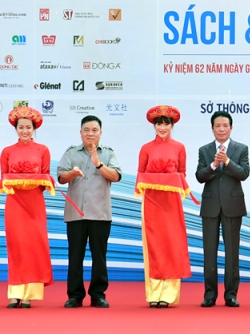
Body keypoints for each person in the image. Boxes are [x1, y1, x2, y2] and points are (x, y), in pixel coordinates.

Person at [57, 115, 122, 308]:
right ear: (81, 133)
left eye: (94, 130)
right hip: (75, 213)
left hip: (100, 213)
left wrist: (98, 164)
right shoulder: (71, 153)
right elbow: (61, 177)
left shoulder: (108, 153)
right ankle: (75, 295)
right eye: (86, 130)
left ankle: (98, 295)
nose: (90, 134)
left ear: (100, 133)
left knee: (99, 257)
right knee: (75, 256)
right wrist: (73, 173)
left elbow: (116, 176)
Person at [136, 105, 191, 308]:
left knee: (171, 244)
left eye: (166, 124)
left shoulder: (179, 147)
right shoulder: (146, 148)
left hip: (172, 203)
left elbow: (182, 173)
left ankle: (168, 294)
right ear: (154, 126)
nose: (162, 127)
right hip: (151, 202)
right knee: (154, 245)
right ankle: (154, 293)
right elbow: (141, 173)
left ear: (172, 125)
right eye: (158, 124)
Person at [0, 107, 54, 308]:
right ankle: (14, 293)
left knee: (33, 246)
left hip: (35, 203)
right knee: (15, 246)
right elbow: (4, 178)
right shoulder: (7, 151)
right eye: (21, 127)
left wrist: (45, 182)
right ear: (16, 129)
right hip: (14, 203)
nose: (25, 131)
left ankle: (30, 294)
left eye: (28, 127)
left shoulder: (43, 150)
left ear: (34, 129)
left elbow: (46, 175)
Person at [196, 111, 250, 308]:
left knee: (232, 252)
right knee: (209, 252)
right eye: (217, 126)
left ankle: (231, 295)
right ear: (212, 128)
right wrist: (213, 164)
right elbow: (199, 176)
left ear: (231, 128)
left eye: (225, 125)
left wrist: (227, 161)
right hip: (210, 206)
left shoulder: (241, 149)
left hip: (233, 206)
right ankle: (210, 295)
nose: (221, 129)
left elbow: (244, 173)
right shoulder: (204, 150)